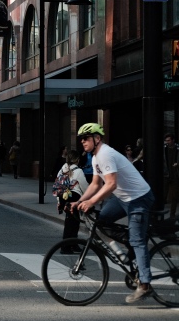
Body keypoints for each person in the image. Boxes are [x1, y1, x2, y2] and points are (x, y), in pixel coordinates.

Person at [73, 123, 155, 304]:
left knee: (138, 240)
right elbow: (96, 184)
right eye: (81, 139)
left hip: (138, 198)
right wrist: (80, 201)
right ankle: (126, 250)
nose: (82, 141)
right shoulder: (95, 157)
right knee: (100, 221)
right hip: (123, 198)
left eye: (86, 138)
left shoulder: (105, 154)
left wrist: (91, 202)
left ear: (97, 139)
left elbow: (111, 184)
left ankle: (145, 284)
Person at [57, 150, 89, 251]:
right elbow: (85, 187)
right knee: (73, 223)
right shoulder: (78, 171)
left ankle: (72, 244)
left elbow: (58, 186)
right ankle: (66, 246)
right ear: (77, 160)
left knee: (70, 221)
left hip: (64, 198)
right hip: (74, 198)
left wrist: (59, 201)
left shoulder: (62, 170)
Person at [163, 133, 179, 218]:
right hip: (166, 174)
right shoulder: (164, 149)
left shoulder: (177, 148)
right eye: (166, 140)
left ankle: (172, 214)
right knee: (163, 195)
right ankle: (161, 213)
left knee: (174, 196)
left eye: (169, 140)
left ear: (173, 140)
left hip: (175, 175)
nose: (167, 142)